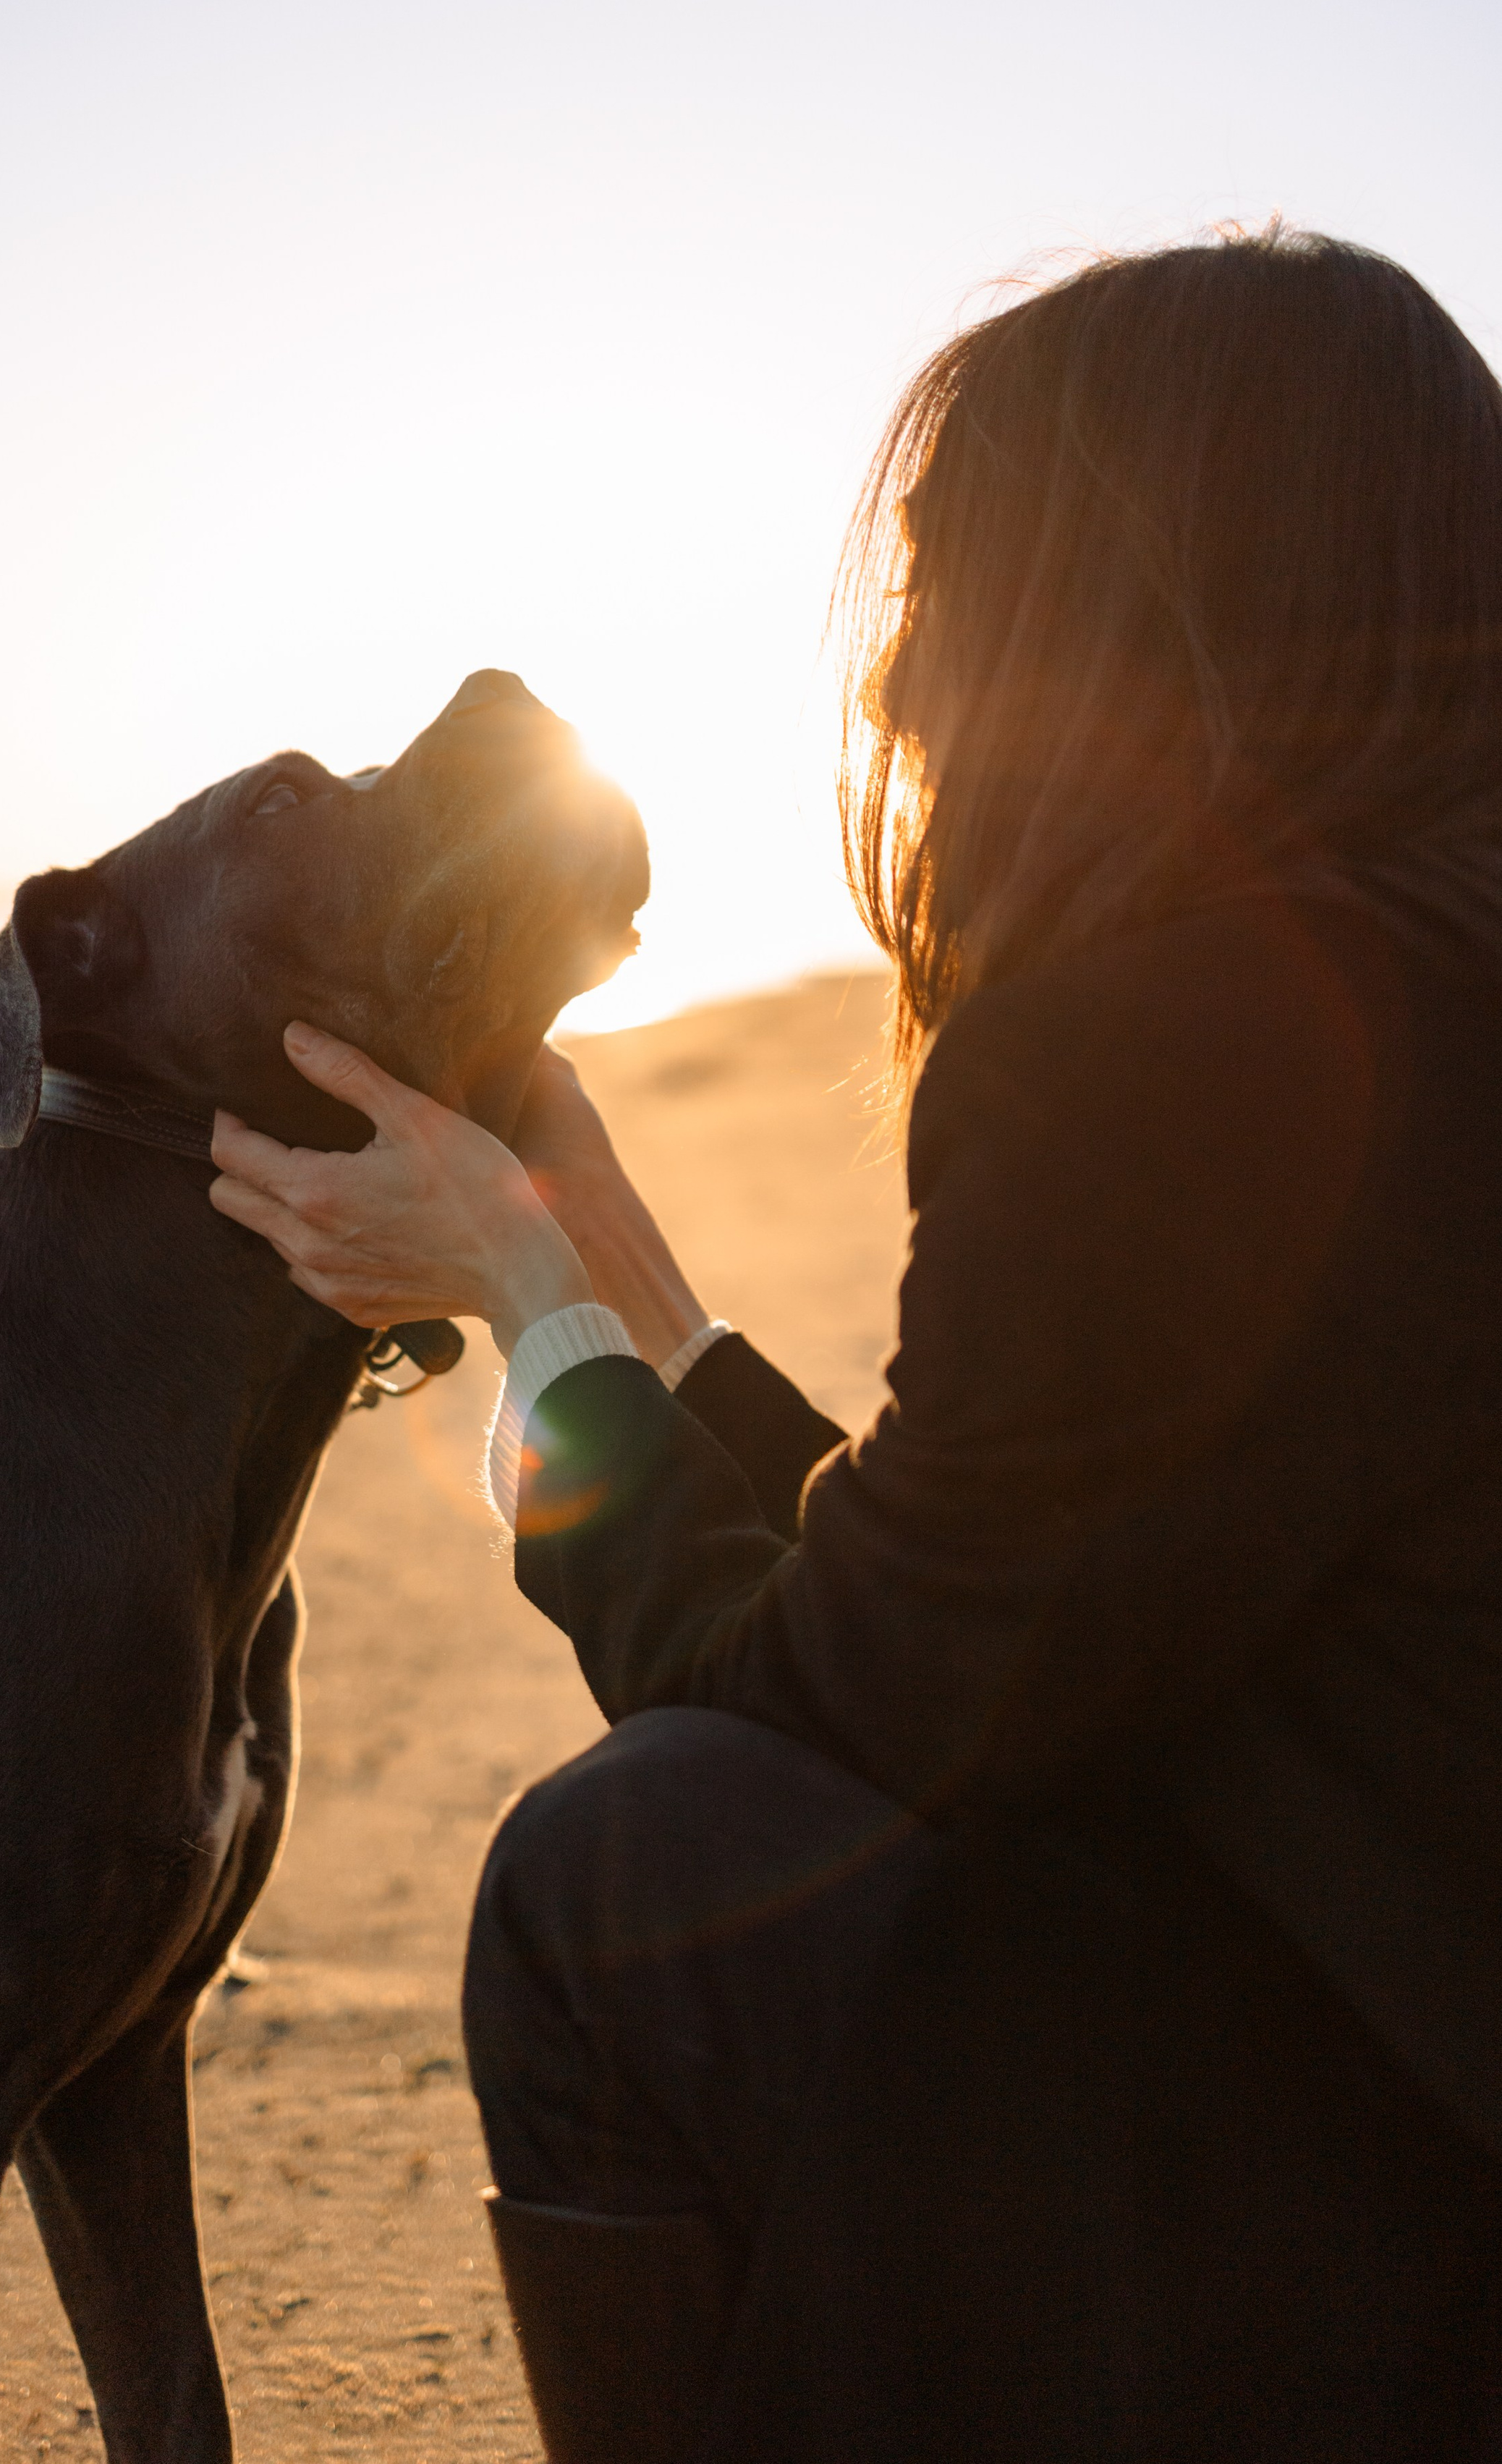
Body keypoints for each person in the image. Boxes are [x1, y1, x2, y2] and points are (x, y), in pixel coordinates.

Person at [208, 230, 1502, 2463]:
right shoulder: (1415, 981)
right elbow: (1012, 1575)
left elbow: (866, 1702)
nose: (901, 691)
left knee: (637, 1871)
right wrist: (614, 1257)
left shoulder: (1189, 1041)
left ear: (1132, 611)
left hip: (1399, 2197)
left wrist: (525, 1302)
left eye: (939, 587)